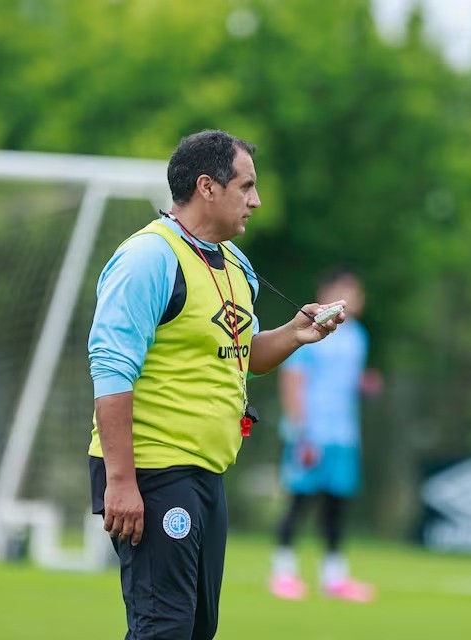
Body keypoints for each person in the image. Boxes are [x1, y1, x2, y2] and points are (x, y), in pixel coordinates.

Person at [87, 129, 347, 640]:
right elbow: (111, 371)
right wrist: (121, 482)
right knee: (164, 629)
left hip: (206, 473)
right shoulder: (148, 259)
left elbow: (245, 354)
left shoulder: (235, 264)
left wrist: (296, 334)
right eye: (246, 187)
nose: (256, 200)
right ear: (208, 187)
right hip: (154, 470)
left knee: (197, 630)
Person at [269, 267, 380, 602]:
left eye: (358, 292)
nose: (356, 298)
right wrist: (299, 430)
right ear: (328, 291)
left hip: (343, 436)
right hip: (311, 434)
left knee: (336, 506)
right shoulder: (309, 331)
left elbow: (344, 383)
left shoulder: (359, 336)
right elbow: (292, 380)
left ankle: (334, 577)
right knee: (299, 502)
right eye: (348, 290)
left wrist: (366, 385)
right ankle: (283, 573)